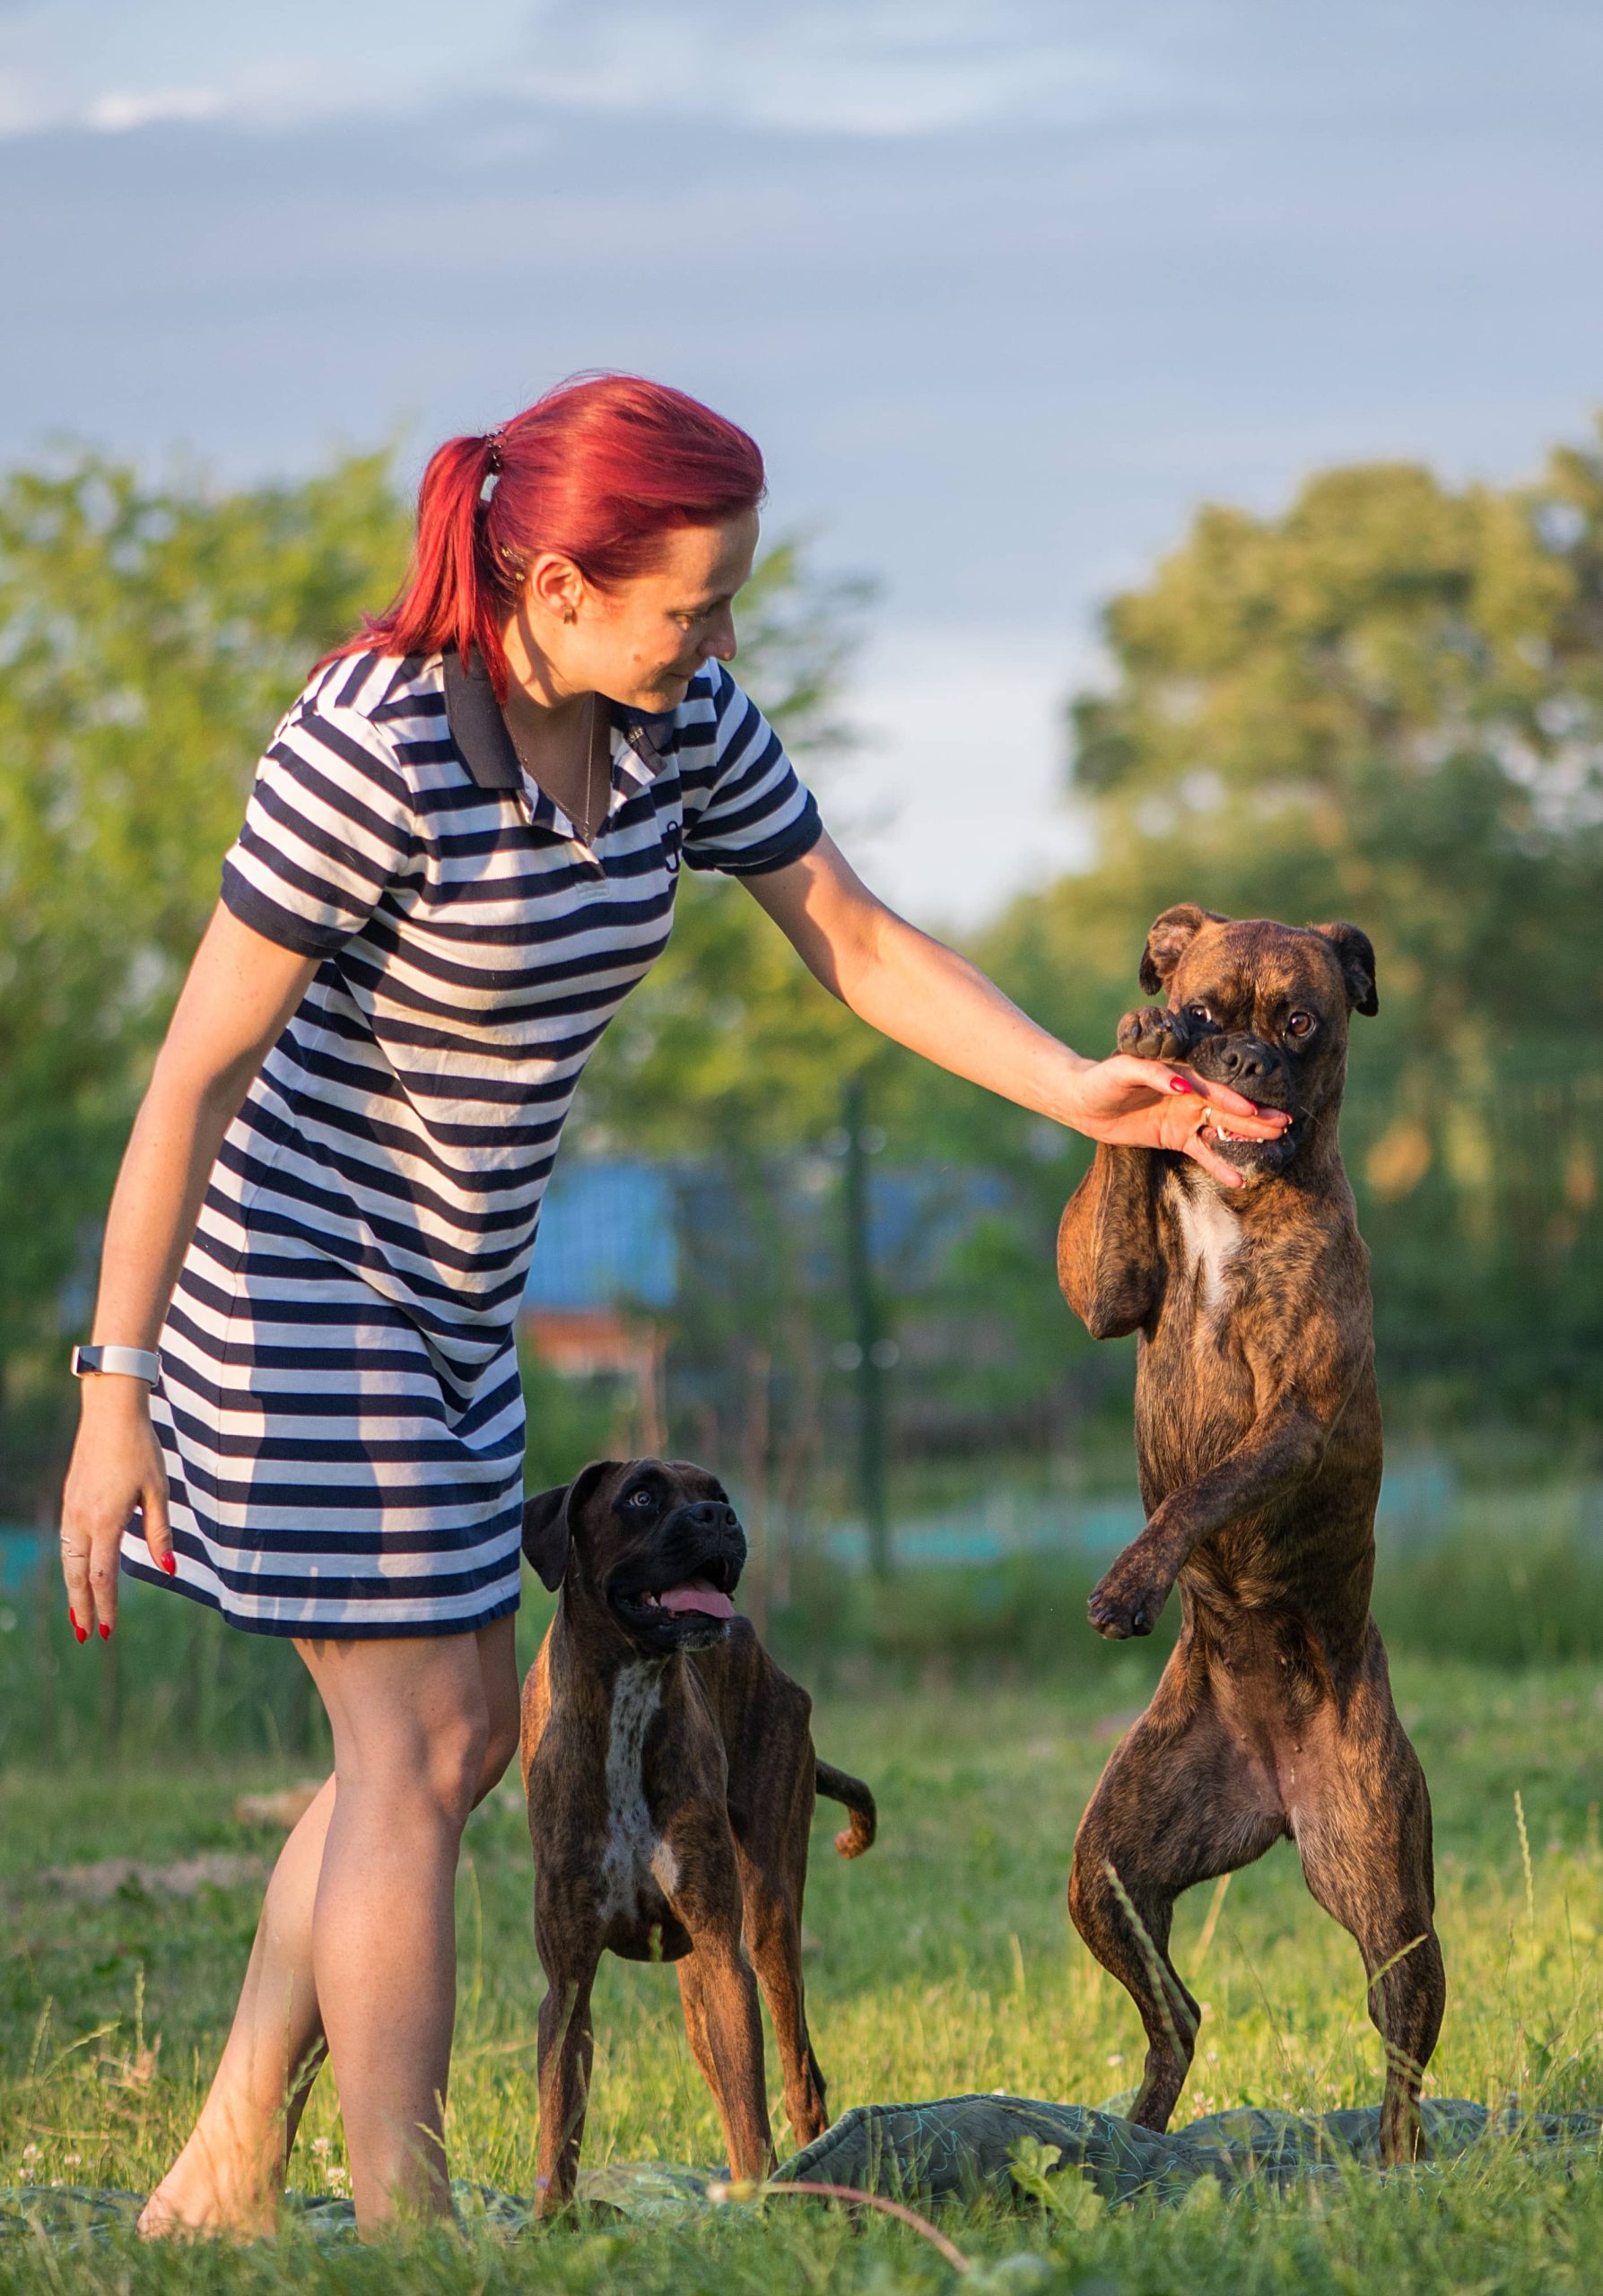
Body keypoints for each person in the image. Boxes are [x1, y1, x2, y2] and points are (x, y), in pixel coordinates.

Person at [57, 373, 1285, 2236]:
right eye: (686, 601)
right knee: (409, 1753)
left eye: (727, 601)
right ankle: (408, 2224)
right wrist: (111, 1379)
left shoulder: (671, 724)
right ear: (552, 585)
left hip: (460, 1301)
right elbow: (191, 1077)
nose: (716, 637)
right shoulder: (374, 741)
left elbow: (855, 937)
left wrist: (1075, 1086)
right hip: (296, 1279)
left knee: (460, 1744)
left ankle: (224, 2162)